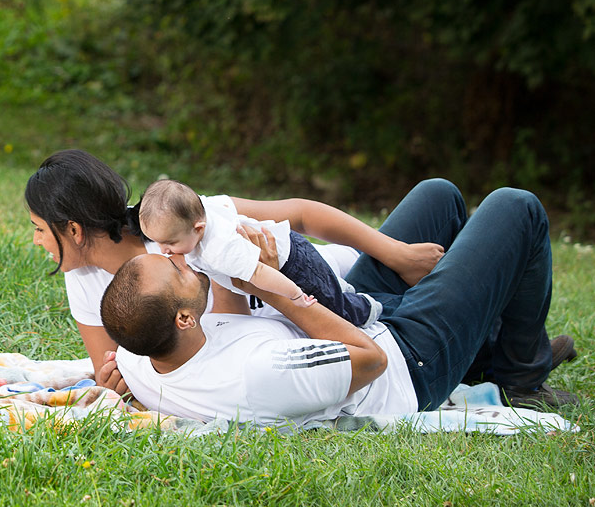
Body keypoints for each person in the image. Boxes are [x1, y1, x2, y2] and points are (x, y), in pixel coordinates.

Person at [97, 179, 580, 420]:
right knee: (516, 208)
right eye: (176, 266)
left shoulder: (145, 352)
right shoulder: (255, 373)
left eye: (168, 252)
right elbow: (366, 360)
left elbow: (126, 350)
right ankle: (519, 376)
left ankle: (486, 349)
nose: (179, 258)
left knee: (439, 196)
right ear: (183, 318)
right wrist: (270, 284)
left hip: (351, 308)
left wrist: (112, 378)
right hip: (403, 361)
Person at [24, 149, 445, 382]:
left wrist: (397, 254)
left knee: (437, 195)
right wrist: (119, 382)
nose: (37, 240)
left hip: (342, 288)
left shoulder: (173, 222)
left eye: (39, 229)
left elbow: (299, 213)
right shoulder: (84, 281)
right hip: (340, 331)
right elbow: (112, 370)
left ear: (74, 230)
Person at [138, 178, 381, 327]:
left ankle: (371, 307)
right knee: (327, 287)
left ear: (198, 228)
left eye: (169, 242)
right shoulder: (200, 209)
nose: (164, 250)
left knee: (333, 310)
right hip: (290, 247)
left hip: (292, 266)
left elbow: (261, 272)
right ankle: (338, 287)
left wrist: (295, 294)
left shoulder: (219, 249)